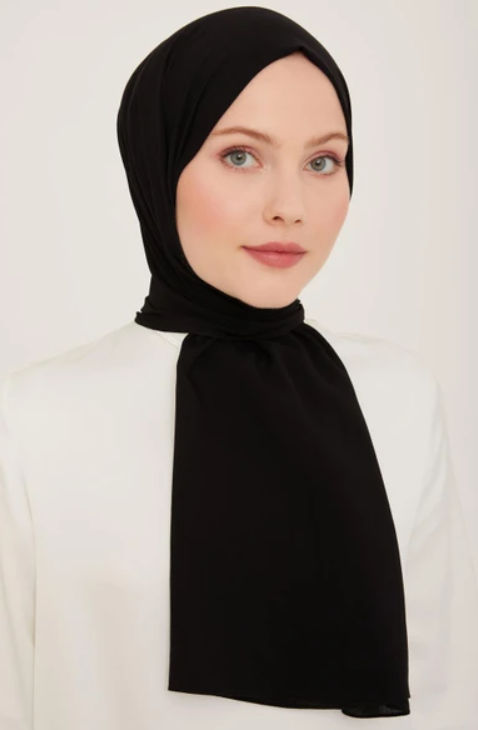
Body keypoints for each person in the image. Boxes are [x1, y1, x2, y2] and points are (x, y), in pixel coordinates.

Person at [0, 7, 477, 729]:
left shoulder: (399, 396)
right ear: (160, 161)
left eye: (323, 162)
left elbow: (444, 691)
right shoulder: (37, 418)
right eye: (241, 156)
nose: (291, 207)